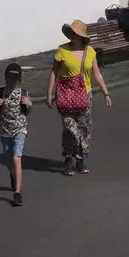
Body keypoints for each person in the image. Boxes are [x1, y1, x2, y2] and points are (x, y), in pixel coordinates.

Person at [48, 20, 112, 176]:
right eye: (71, 33)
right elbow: (54, 72)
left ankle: (80, 159)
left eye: (75, 33)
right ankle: (69, 157)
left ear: (81, 36)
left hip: (85, 95)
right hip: (65, 94)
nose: (72, 36)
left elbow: (96, 73)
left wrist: (106, 93)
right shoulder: (62, 51)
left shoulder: (90, 52)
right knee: (70, 127)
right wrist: (49, 93)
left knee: (84, 128)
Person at [0, 63, 32, 206]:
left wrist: (29, 104)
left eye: (15, 79)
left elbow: (27, 112)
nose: (12, 82)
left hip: (20, 130)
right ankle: (13, 175)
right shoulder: (0, 92)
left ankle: (17, 193)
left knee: (16, 158)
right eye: (9, 78)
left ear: (19, 80)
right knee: (7, 160)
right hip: (5, 130)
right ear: (5, 78)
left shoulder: (24, 93)